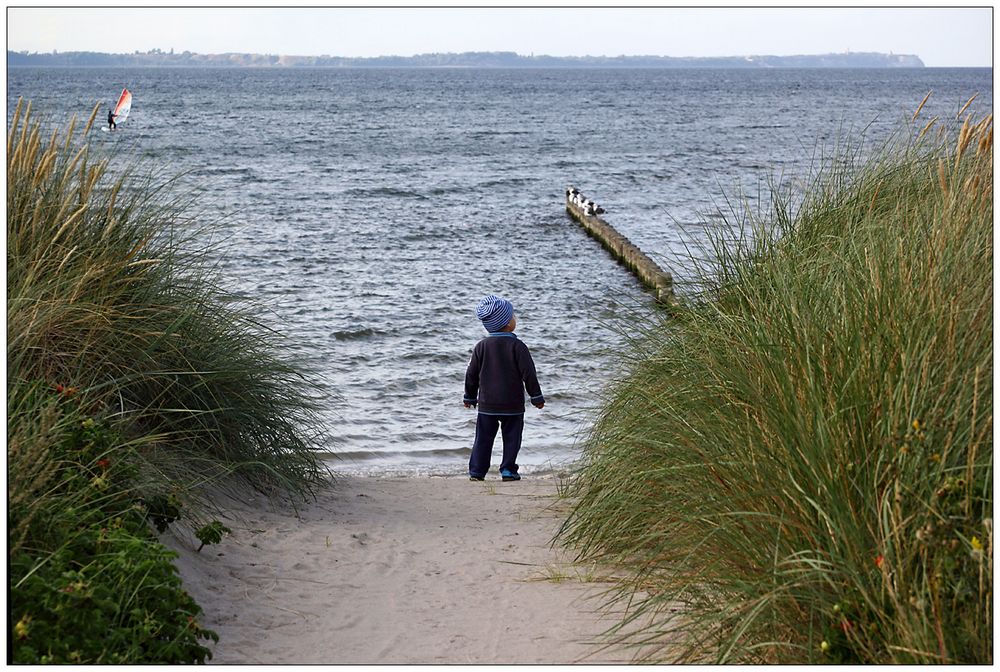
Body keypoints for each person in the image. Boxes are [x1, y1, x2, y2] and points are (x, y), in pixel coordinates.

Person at [463, 295, 545, 482]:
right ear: (508, 324)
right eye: (513, 316)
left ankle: (477, 471)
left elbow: (471, 374)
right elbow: (529, 374)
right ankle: (508, 469)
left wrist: (469, 397)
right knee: (512, 439)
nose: (515, 319)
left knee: (483, 439)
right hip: (513, 405)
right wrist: (536, 397)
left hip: (487, 404)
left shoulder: (481, 346)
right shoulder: (518, 346)